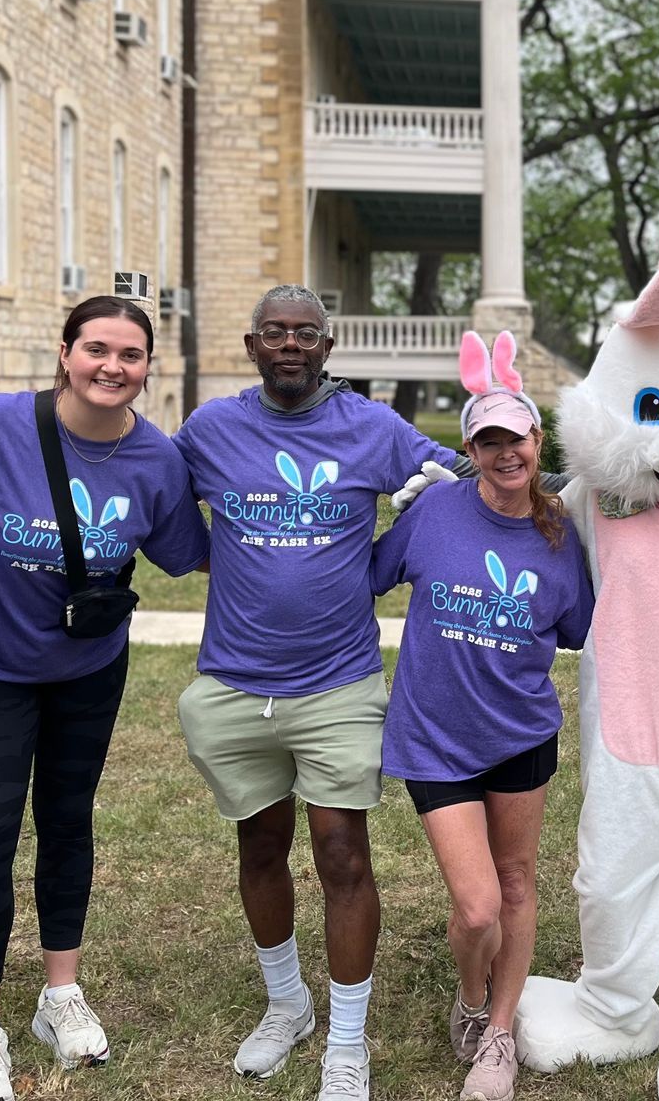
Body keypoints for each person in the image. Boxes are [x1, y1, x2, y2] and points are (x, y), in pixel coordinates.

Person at [173, 285, 460, 1099]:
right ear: (251, 344)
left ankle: (347, 1040)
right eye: (275, 332)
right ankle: (285, 1005)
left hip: (337, 682)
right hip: (234, 684)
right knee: (259, 847)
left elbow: (473, 469)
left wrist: (587, 490)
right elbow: (136, 472)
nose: (290, 344)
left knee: (342, 854)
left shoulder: (370, 427)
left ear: (328, 347)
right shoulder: (212, 429)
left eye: (306, 333)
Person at [0, 297, 210, 1101]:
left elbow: (192, 553)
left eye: (129, 355)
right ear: (65, 353)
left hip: (88, 672)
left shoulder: (155, 460)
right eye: (96, 349)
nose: (111, 367)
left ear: (147, 368)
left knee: (67, 823)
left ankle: (60, 995)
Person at [369, 330, 593, 1101]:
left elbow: (581, 631)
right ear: (470, 446)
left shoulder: (562, 536)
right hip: (434, 736)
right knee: (477, 905)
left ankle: (499, 1034)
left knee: (518, 883)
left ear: (538, 440)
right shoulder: (434, 513)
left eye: (517, 437)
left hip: (521, 735)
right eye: (488, 439)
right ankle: (470, 996)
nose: (505, 452)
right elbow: (369, 574)